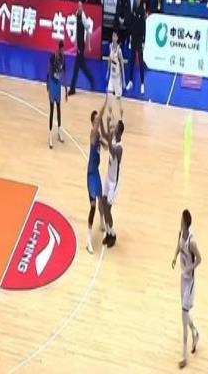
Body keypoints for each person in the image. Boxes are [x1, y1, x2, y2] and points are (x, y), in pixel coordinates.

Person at [171, 209, 201, 369]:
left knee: (183, 317)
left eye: (181, 220)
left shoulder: (192, 242)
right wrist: (174, 257)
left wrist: (190, 267)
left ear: (186, 223)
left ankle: (183, 356)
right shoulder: (180, 232)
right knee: (184, 314)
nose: (180, 221)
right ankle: (195, 332)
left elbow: (200, 259)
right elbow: (178, 245)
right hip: (183, 278)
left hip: (190, 282)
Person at [86, 98, 107, 254]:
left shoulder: (97, 135)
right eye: (96, 120)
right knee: (93, 206)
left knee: (101, 198)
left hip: (96, 171)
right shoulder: (93, 133)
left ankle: (102, 222)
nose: (98, 122)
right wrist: (105, 102)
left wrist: (106, 145)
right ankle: (88, 240)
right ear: (93, 122)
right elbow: (100, 116)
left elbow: (102, 144)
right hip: (91, 174)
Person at [100, 115, 124, 249]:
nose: (114, 130)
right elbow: (104, 134)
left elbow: (111, 149)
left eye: (115, 129)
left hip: (114, 183)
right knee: (103, 205)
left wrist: (109, 134)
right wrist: (103, 122)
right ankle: (108, 233)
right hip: (108, 178)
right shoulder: (113, 138)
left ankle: (113, 234)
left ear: (119, 132)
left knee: (108, 209)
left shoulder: (120, 148)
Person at [69, 1, 95, 94]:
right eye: (78, 6)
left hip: (81, 45)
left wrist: (89, 45)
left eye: (80, 6)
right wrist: (75, 42)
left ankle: (72, 89)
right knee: (82, 66)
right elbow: (77, 29)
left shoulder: (83, 17)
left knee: (76, 67)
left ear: (82, 7)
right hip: (78, 43)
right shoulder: (77, 14)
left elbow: (88, 30)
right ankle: (92, 80)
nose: (79, 8)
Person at [46, 41, 67, 149]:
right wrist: (47, 84)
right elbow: (48, 69)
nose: (63, 51)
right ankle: (50, 135)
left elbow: (64, 74)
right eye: (62, 49)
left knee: (58, 108)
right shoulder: (53, 56)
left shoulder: (63, 59)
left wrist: (66, 90)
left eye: (64, 49)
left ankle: (59, 130)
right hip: (52, 83)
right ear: (59, 49)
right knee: (52, 109)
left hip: (58, 84)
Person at [126, 0, 146, 95]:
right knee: (132, 60)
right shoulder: (133, 9)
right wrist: (129, 37)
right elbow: (130, 24)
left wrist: (143, 40)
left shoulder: (142, 11)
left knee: (141, 61)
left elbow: (144, 26)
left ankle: (142, 83)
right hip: (133, 39)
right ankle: (130, 81)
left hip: (139, 39)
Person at [106, 30, 125, 118]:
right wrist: (107, 71)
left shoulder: (119, 51)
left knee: (118, 102)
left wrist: (123, 80)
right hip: (111, 78)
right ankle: (111, 116)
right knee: (109, 98)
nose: (113, 38)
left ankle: (121, 119)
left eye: (114, 36)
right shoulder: (110, 46)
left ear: (117, 38)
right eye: (112, 36)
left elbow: (122, 65)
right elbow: (109, 59)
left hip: (118, 80)